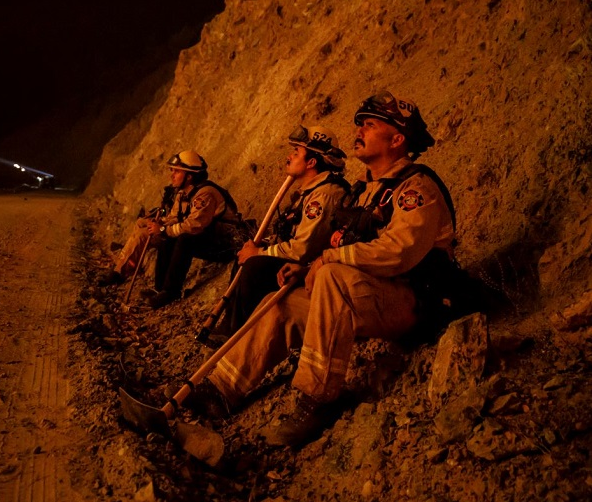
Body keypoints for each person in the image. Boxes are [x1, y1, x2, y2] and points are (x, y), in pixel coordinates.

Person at [188, 91, 456, 448]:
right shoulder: (368, 191)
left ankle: (316, 400)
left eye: (370, 125)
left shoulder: (416, 189)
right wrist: (305, 268)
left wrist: (325, 262)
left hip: (413, 303)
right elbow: (347, 248)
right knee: (281, 302)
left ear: (396, 139)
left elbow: (398, 253)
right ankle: (221, 388)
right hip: (366, 295)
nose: (359, 129)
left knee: (331, 275)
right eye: (360, 122)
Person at [215, 125, 349, 337]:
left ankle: (236, 333)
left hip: (309, 269)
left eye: (297, 153)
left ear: (311, 162)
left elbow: (302, 249)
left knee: (254, 266)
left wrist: (259, 254)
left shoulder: (324, 195)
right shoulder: (308, 192)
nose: (289, 156)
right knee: (245, 256)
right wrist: (261, 246)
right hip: (295, 260)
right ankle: (230, 322)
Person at [100, 150, 241, 309]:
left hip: (226, 244)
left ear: (189, 176)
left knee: (183, 239)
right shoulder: (184, 193)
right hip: (207, 238)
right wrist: (157, 223)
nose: (172, 175)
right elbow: (175, 217)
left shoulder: (205, 194)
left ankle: (171, 291)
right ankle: (159, 289)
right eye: (172, 171)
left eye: (176, 171)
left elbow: (193, 226)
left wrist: (163, 230)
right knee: (168, 236)